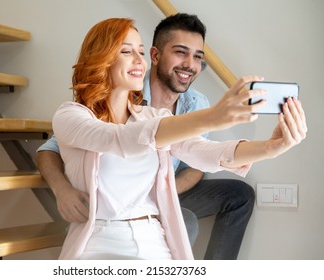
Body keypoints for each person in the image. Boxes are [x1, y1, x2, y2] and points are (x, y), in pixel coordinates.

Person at [48, 17, 306, 260]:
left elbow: (205, 152)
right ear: (101, 59)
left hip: (155, 240)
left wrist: (272, 147)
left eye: (140, 51)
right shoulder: (70, 116)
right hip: (101, 242)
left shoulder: (152, 116)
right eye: (127, 52)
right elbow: (122, 139)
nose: (139, 60)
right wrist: (211, 118)